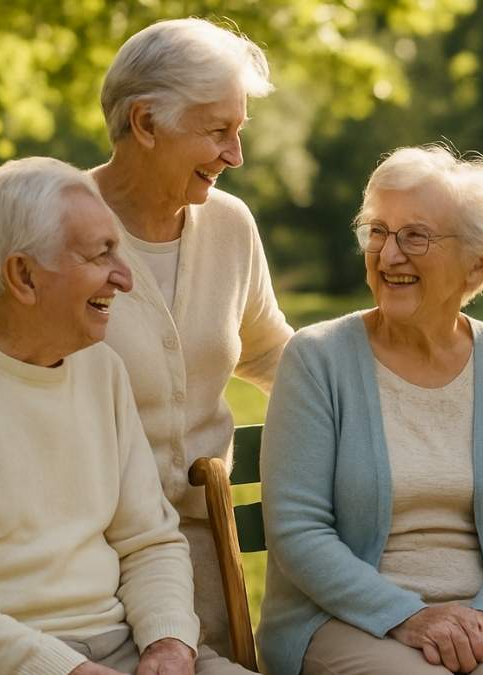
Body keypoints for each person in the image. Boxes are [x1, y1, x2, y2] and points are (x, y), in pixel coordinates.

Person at [0, 157, 254, 675]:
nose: (125, 278)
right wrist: (63, 669)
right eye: (101, 254)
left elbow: (149, 540)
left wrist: (169, 643)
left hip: (113, 644)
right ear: (24, 275)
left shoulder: (101, 368)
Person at [256, 145, 483, 675]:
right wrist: (409, 616)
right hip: (342, 616)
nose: (388, 255)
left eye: (415, 236)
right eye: (378, 231)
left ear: (477, 264)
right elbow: (298, 530)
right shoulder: (317, 359)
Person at [90, 18, 294, 658]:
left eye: (239, 131)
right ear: (146, 123)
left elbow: (271, 352)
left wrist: (382, 399)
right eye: (217, 131)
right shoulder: (55, 227)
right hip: (81, 548)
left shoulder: (229, 225)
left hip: (199, 549)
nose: (235, 155)